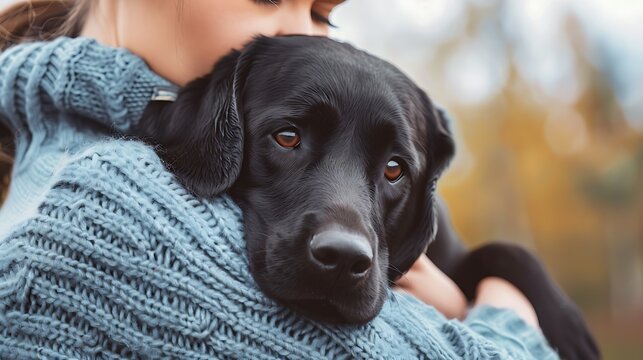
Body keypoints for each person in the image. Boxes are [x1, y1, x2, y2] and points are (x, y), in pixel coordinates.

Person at [0, 0, 555, 358]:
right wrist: (508, 310)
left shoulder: (47, 165)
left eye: (322, 13)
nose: (304, 37)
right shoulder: (108, 208)